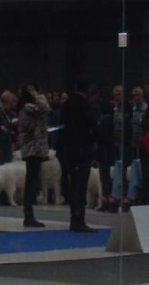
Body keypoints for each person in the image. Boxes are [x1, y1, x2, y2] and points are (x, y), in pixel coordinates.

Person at [58, 79, 97, 232]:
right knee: (81, 186)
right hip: (82, 149)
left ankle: (73, 219)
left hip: (68, 149)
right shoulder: (85, 105)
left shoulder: (66, 104)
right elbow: (92, 125)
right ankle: (79, 219)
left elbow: (62, 125)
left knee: (72, 184)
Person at [16, 84, 50, 227]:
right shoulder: (28, 108)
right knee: (31, 181)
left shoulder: (28, 108)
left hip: (36, 148)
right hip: (32, 149)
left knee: (32, 181)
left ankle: (29, 214)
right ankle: (28, 215)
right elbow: (45, 108)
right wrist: (37, 96)